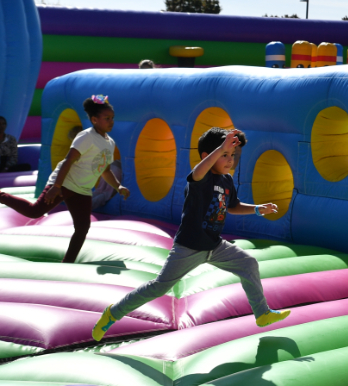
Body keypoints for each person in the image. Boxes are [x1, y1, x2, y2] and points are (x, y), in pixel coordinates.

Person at [92, 127, 291, 340]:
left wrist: (258, 208)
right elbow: (197, 173)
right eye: (224, 155)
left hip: (214, 246)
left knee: (249, 263)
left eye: (232, 155)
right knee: (159, 287)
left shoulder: (226, 181)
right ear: (207, 156)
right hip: (189, 247)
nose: (230, 160)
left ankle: (262, 313)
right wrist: (220, 149)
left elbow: (233, 206)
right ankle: (113, 313)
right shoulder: (200, 179)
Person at [0, 96, 128, 262]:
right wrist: (57, 186)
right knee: (35, 211)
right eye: (107, 118)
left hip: (82, 189)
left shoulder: (109, 142)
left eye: (112, 118)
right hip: (65, 183)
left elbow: (106, 170)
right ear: (94, 120)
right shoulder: (86, 136)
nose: (111, 122)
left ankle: (68, 262)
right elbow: (69, 160)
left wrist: (118, 187)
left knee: (82, 228)